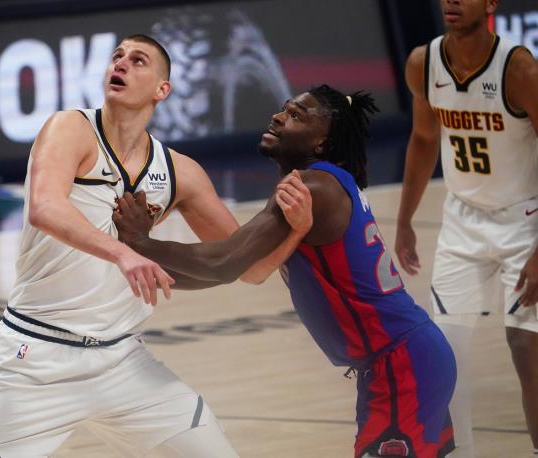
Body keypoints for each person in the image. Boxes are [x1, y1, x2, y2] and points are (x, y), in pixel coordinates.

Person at [0, 33, 305, 458]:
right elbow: (44, 207)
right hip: (36, 357)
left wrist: (297, 228)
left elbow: (250, 267)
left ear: (162, 89)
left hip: (122, 361)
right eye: (117, 56)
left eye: (138, 61)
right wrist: (125, 252)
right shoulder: (71, 128)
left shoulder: (180, 172)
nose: (121, 64)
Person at [113, 85, 457, 458]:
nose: (278, 117)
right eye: (284, 109)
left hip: (402, 364)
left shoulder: (312, 187)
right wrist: (140, 266)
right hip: (405, 359)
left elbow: (223, 262)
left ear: (321, 143)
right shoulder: (322, 184)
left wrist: (140, 242)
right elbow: (243, 270)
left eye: (296, 116)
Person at [394, 0, 538, 455]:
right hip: (462, 220)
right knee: (443, 354)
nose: (452, 0)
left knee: (526, 347)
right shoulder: (423, 63)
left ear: (491, 3)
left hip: (525, 220)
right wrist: (405, 220)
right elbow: (423, 139)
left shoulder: (520, 70)